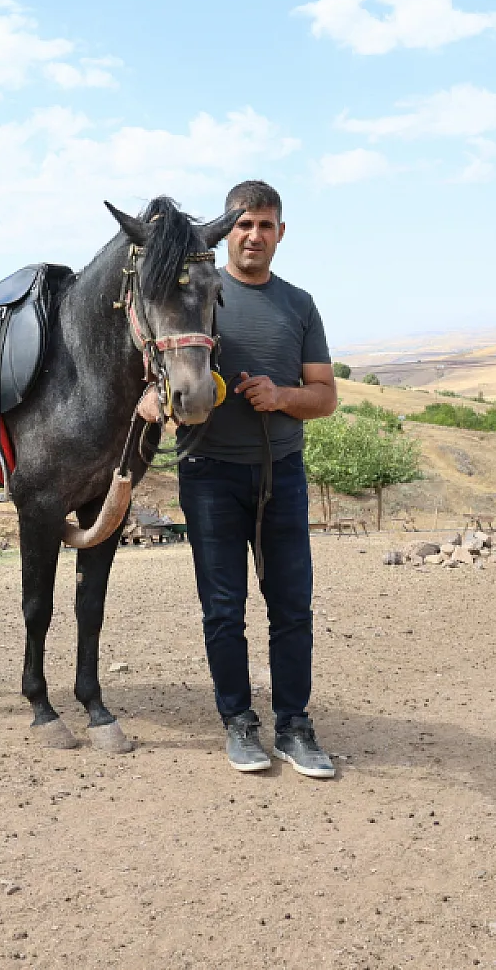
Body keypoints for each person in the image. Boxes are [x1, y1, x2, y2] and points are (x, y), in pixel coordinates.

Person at [172, 179, 338, 778]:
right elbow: (157, 365)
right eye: (243, 224)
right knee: (223, 608)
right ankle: (239, 723)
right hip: (208, 474)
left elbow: (325, 396)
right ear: (224, 231)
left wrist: (281, 394)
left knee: (292, 606)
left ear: (280, 233)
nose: (253, 235)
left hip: (282, 473)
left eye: (265, 225)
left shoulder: (300, 305)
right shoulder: (196, 294)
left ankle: (294, 727)